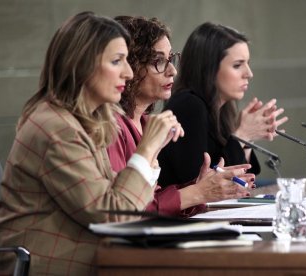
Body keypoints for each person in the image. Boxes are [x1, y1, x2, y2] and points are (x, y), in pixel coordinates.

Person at [0, 12, 190, 275]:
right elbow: (112, 217)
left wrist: (150, 153)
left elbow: (121, 203)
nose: (128, 73)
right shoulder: (56, 127)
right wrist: (147, 150)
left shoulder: (86, 122)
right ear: (82, 64)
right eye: (117, 61)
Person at [107, 16, 254, 218]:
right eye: (158, 61)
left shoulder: (144, 123)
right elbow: (124, 208)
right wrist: (197, 192)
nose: (172, 70)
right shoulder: (111, 125)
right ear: (129, 66)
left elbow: (151, 197)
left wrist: (199, 188)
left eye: (170, 59)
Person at [157, 22, 288, 187]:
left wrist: (248, 138)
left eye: (248, 63)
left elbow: (242, 181)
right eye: (238, 65)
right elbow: (199, 184)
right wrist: (242, 135)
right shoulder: (188, 105)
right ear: (209, 68)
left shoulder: (223, 108)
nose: (249, 73)